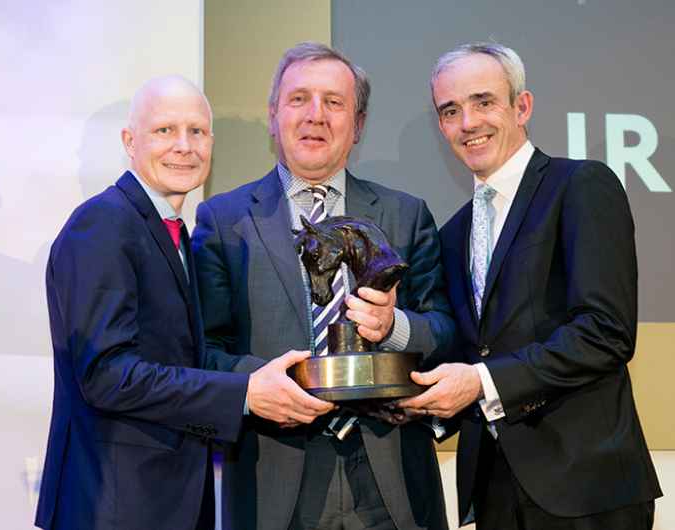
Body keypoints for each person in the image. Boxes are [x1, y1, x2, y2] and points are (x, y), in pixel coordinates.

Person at [34, 75, 333, 530]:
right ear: (130, 142)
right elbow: (106, 374)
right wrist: (245, 393)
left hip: (163, 502)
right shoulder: (103, 224)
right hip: (114, 507)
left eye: (197, 131)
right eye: (165, 131)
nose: (184, 146)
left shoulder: (171, 230)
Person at [192, 42, 456, 530]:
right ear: (274, 116)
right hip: (273, 475)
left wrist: (393, 327)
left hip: (391, 479)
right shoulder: (222, 220)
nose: (316, 115)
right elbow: (204, 350)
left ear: (357, 125)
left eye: (334, 103)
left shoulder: (406, 215)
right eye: (299, 99)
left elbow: (444, 332)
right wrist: (266, 385)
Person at [398, 42, 662, 529]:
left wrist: (480, 382)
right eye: (450, 110)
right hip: (494, 489)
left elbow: (606, 332)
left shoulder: (581, 185)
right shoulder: (452, 234)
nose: (468, 122)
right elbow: (468, 349)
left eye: (483, 102)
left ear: (522, 107)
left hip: (587, 488)